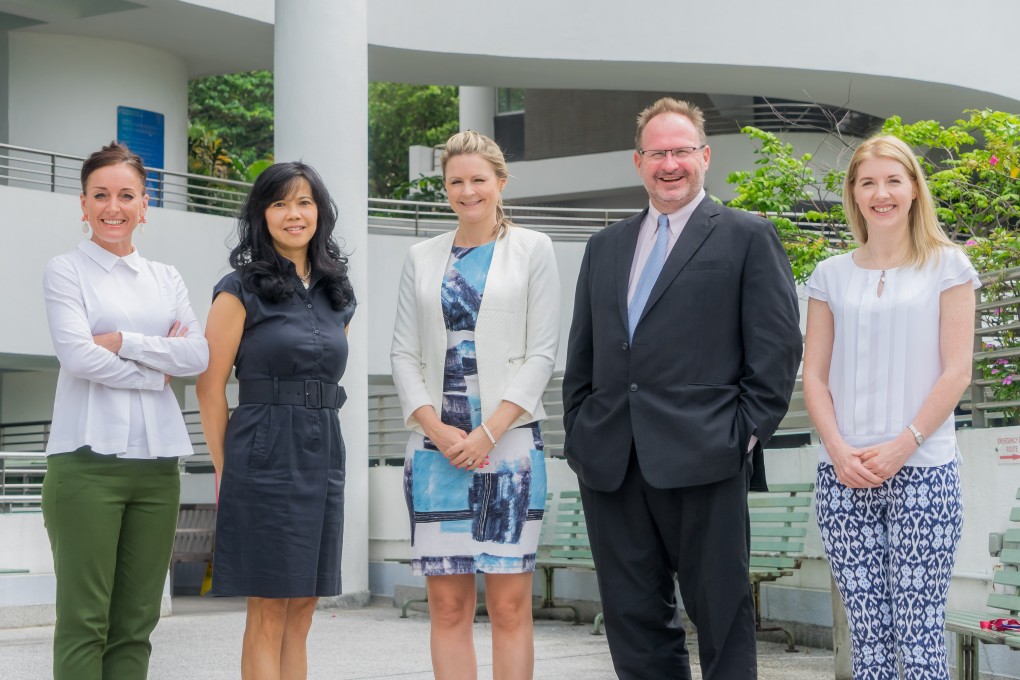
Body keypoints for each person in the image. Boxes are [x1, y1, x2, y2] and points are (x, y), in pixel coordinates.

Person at [561, 97, 803, 679]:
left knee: (721, 616)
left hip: (707, 458)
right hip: (613, 464)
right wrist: (581, 432)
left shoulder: (747, 236)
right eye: (658, 153)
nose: (671, 164)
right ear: (638, 161)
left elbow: (776, 353)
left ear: (705, 156)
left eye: (682, 151)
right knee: (633, 620)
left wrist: (739, 439)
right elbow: (584, 355)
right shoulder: (605, 247)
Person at [803, 135, 977, 679]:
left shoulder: (948, 266)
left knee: (918, 634)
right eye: (868, 182)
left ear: (913, 190)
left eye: (893, 180)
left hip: (924, 471)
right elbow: (813, 374)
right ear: (853, 193)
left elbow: (957, 370)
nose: (882, 193)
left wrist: (904, 445)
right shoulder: (830, 275)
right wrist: (837, 451)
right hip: (845, 475)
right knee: (869, 640)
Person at [391, 130, 560, 679]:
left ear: (500, 182)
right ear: (445, 188)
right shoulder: (421, 256)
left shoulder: (534, 248)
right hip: (435, 452)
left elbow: (542, 354)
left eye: (478, 180)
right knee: (447, 606)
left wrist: (488, 431)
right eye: (456, 182)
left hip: (507, 449)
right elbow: (402, 354)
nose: (467, 191)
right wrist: (436, 430)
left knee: (510, 605)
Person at [41, 141, 209, 680]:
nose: (113, 207)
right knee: (85, 621)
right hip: (86, 464)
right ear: (83, 203)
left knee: (137, 621)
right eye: (100, 195)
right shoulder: (65, 270)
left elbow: (198, 354)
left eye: (126, 195)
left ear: (145, 204)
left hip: (158, 468)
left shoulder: (166, 278)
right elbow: (77, 355)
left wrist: (120, 340)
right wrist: (156, 369)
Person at [196, 162, 356, 680]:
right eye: (280, 203)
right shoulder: (237, 288)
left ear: (320, 213)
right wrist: (228, 469)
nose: (294, 214)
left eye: (304, 202)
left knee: (305, 605)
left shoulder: (338, 293)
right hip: (262, 451)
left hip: (324, 450)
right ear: (261, 214)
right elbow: (208, 386)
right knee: (268, 607)